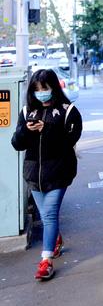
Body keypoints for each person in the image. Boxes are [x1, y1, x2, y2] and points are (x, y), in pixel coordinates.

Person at [11, 69, 82, 281]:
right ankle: (55, 240)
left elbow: (70, 142)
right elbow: (17, 143)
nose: (41, 92)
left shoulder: (68, 111)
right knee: (46, 216)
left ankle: (46, 261)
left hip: (59, 172)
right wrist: (26, 130)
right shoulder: (27, 112)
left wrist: (48, 131)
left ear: (53, 87)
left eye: (45, 88)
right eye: (37, 89)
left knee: (50, 214)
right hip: (34, 175)